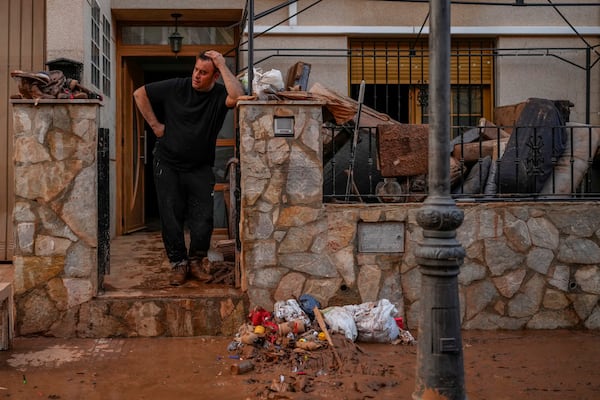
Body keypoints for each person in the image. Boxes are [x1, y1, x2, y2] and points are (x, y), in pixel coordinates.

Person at [133, 50, 244, 286]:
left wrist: (223, 65)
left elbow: (238, 96)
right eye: (195, 70)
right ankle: (178, 264)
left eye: (203, 73)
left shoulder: (219, 95)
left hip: (199, 166)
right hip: (168, 162)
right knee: (171, 215)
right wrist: (155, 126)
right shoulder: (177, 86)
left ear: (214, 77)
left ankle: (196, 261)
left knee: (203, 218)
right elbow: (139, 93)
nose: (196, 76)